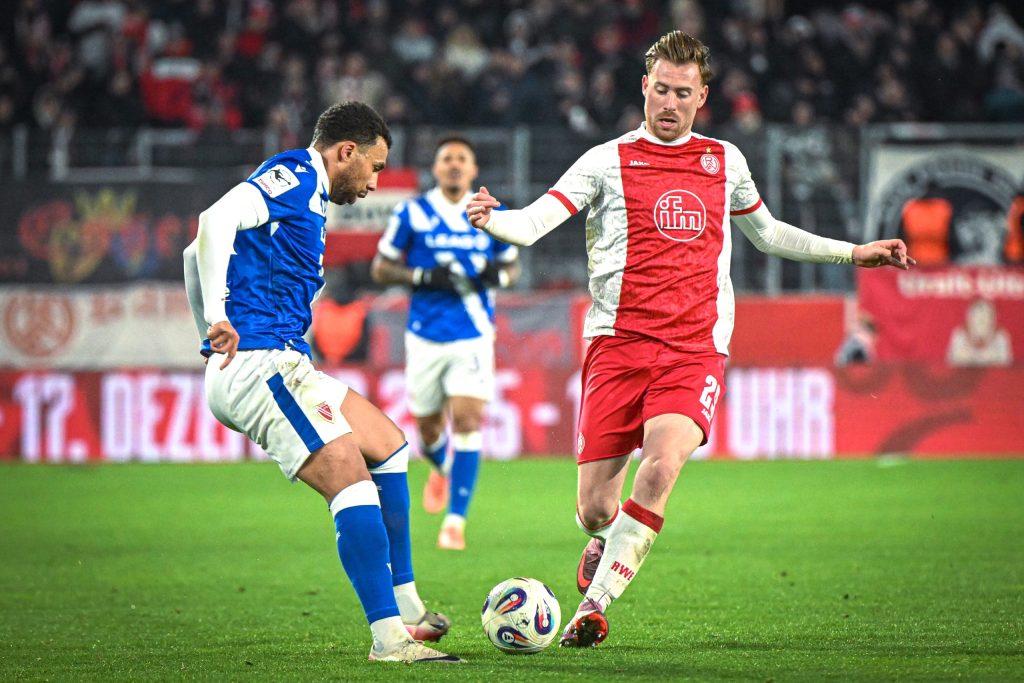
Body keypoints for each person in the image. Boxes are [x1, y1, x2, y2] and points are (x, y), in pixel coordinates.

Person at [466, 31, 915, 649]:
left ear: (702, 97)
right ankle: (603, 540)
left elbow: (768, 234)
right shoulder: (605, 161)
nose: (670, 103)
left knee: (662, 466)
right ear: (643, 88)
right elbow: (535, 223)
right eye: (661, 90)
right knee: (595, 509)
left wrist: (853, 253)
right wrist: (494, 220)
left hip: (693, 348)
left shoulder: (725, 161)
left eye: (683, 93)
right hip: (617, 345)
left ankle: (595, 607)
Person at [182, 101, 461, 664]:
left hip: (279, 361)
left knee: (388, 445)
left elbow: (194, 257)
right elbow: (211, 224)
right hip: (261, 364)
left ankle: (406, 605)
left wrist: (209, 336)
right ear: (346, 151)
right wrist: (216, 322)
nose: (374, 182)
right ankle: (390, 640)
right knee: (352, 485)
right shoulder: (298, 173)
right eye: (374, 167)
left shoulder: (306, 193)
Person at [370, 135, 520, 551]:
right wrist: (420, 277)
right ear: (436, 169)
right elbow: (381, 268)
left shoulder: (489, 212)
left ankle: (455, 522)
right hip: (424, 336)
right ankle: (440, 468)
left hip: (473, 335)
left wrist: (496, 276)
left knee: (468, 421)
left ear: (473, 170)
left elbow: (512, 267)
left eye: (462, 159)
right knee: (428, 429)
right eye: (447, 158)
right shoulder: (412, 213)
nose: (454, 165)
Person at [947, 298, 1013, 366]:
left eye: (986, 317)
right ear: (969, 318)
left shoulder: (1000, 337)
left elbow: (1005, 362)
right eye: (976, 316)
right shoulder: (960, 335)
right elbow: (953, 361)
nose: (981, 321)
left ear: (993, 318)